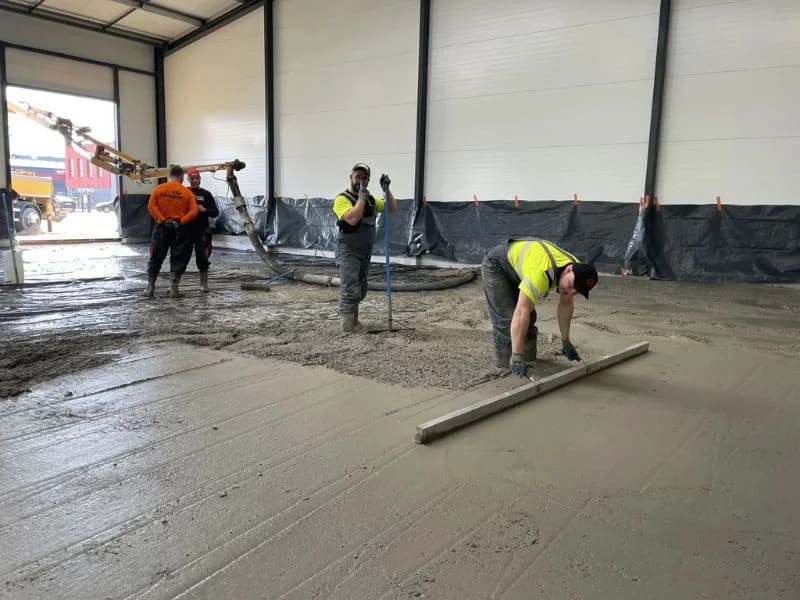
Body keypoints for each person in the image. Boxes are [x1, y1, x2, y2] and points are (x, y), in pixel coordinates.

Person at [481, 239, 598, 378]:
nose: (571, 292)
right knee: (507, 317)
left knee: (529, 318)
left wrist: (565, 341)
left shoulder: (575, 270)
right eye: (572, 286)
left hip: (525, 266)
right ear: (568, 270)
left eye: (577, 291)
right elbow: (521, 312)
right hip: (497, 264)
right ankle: (507, 364)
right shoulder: (542, 272)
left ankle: (528, 358)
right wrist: (517, 354)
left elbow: (566, 304)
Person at [332, 163, 398, 332]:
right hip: (347, 251)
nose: (360, 180)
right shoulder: (342, 199)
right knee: (350, 289)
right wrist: (361, 198)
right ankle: (346, 327)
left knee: (360, 288)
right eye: (357, 177)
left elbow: (391, 208)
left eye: (364, 177)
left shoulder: (371, 200)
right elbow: (352, 219)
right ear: (351, 178)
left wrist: (386, 190)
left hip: (364, 251)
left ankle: (353, 321)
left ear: (368, 179)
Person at [143, 165, 199, 298]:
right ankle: (174, 289)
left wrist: (162, 220)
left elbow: (151, 206)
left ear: (169, 176)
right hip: (180, 230)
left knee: (156, 257)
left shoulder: (158, 189)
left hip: (161, 229)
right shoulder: (187, 193)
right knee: (178, 258)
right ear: (181, 177)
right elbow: (194, 211)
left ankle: (150, 289)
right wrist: (181, 221)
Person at [185, 167, 219, 293]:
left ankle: (204, 284)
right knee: (180, 256)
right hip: (186, 230)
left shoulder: (206, 194)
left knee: (203, 257)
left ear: (200, 179)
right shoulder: (184, 193)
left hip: (202, 231)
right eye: (192, 179)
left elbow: (215, 212)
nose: (195, 181)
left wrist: (205, 210)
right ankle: (174, 284)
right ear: (188, 179)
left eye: (197, 178)